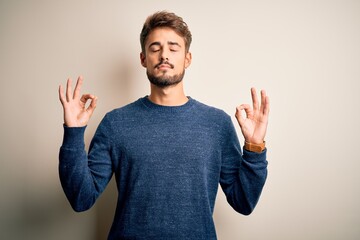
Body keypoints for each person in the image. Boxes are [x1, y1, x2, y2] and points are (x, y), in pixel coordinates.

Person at [58, 11, 270, 240]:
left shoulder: (217, 124)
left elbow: (244, 202)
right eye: (155, 47)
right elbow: (81, 199)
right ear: (143, 58)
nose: (164, 55)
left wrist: (254, 147)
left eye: (173, 47)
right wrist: (73, 133)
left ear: (187, 58)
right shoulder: (115, 123)